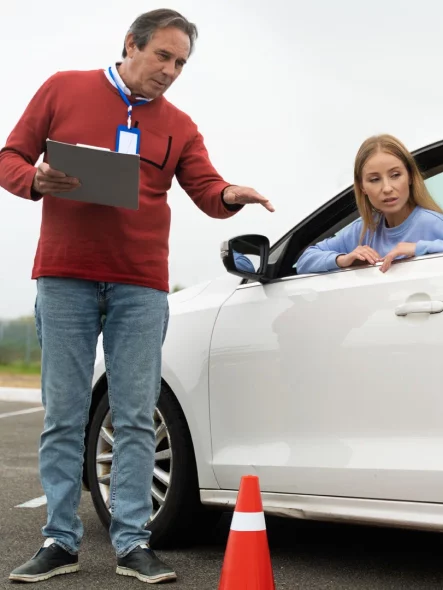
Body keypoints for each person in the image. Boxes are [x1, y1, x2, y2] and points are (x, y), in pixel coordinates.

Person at [0, 9, 273, 584]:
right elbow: (9, 158)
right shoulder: (63, 88)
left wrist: (230, 193)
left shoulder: (179, 123)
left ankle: (131, 542)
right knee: (65, 415)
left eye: (180, 63)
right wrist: (36, 179)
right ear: (131, 45)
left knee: (134, 418)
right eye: (163, 57)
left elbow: (204, 186)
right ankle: (58, 540)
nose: (171, 71)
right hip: (65, 277)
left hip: (141, 287)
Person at [295, 134, 443, 275]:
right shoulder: (363, 229)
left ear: (409, 177)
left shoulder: (430, 221)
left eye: (395, 175)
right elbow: (304, 260)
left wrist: (417, 248)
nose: (387, 188)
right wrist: (344, 259)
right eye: (375, 179)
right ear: (362, 187)